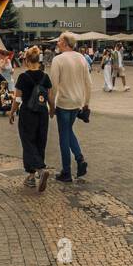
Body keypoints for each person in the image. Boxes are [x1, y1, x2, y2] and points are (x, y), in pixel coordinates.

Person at [48, 31, 90, 183]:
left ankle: (66, 171)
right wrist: (86, 104)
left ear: (65, 43)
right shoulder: (81, 58)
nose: (57, 43)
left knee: (63, 137)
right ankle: (79, 159)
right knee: (68, 131)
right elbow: (88, 83)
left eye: (59, 41)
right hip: (77, 102)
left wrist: (51, 106)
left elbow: (53, 86)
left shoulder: (58, 60)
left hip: (64, 102)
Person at [10, 45, 52, 192]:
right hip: (42, 113)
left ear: (27, 60)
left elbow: (17, 98)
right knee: (40, 142)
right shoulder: (45, 76)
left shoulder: (23, 77)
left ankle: (40, 170)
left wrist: (11, 112)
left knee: (28, 142)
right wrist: (51, 110)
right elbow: (50, 96)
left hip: (27, 113)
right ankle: (31, 177)